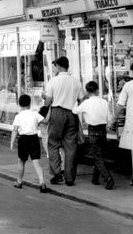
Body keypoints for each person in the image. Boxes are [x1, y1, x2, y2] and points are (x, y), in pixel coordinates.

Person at [44, 56, 83, 186]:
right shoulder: (76, 82)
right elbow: (81, 100)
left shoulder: (53, 81)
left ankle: (56, 174)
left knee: (53, 143)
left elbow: (48, 102)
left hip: (57, 112)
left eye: (54, 66)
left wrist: (45, 98)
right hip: (72, 113)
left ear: (59, 66)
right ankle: (70, 178)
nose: (54, 69)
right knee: (71, 147)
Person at [73, 81, 115, 190]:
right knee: (101, 154)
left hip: (92, 130)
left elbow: (75, 111)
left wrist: (75, 102)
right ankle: (95, 179)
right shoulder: (104, 102)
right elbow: (109, 116)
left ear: (87, 91)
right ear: (97, 90)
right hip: (103, 129)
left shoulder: (86, 103)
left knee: (97, 155)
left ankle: (108, 178)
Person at [10, 94, 52, 193]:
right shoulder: (35, 114)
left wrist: (12, 142)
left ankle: (19, 182)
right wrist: (50, 109)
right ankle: (42, 183)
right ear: (30, 104)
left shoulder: (18, 116)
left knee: (21, 161)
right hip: (34, 139)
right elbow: (46, 121)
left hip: (23, 139)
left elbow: (15, 130)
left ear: (19, 105)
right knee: (36, 162)